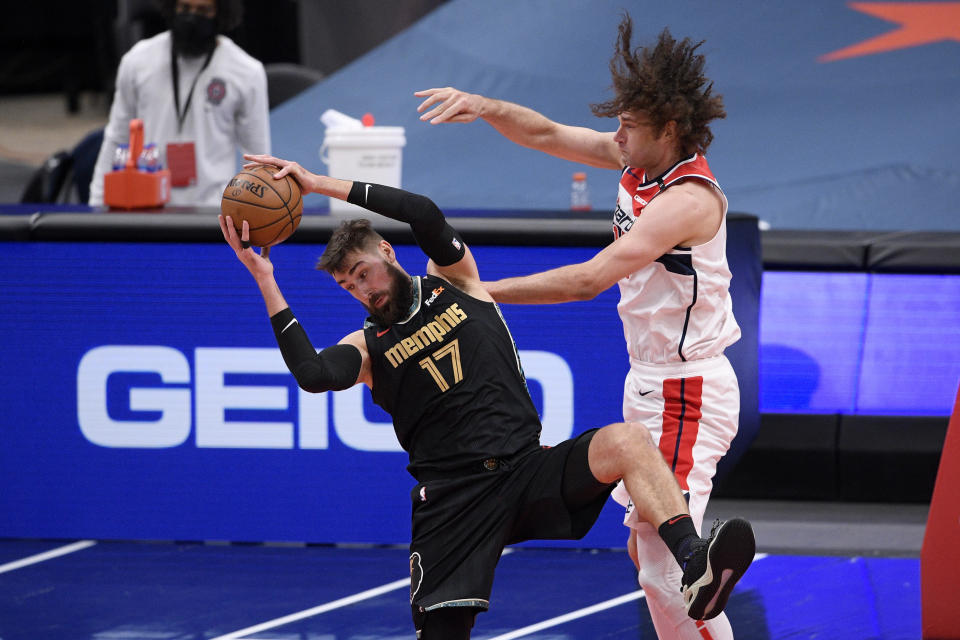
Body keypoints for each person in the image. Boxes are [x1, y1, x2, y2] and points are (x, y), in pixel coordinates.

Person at [220, 152, 755, 639]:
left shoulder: (454, 280)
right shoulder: (364, 347)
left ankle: (695, 561)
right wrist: (264, 278)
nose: (364, 291)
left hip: (526, 470)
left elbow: (424, 213)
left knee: (631, 441)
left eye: (364, 274)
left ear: (387, 251)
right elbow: (313, 374)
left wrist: (319, 184)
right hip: (454, 502)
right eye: (349, 287)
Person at [414, 16, 745, 640]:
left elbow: (588, 279)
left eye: (628, 124)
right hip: (651, 382)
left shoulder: (689, 200)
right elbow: (542, 132)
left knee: (667, 567)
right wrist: (484, 104)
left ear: (669, 129)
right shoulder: (637, 162)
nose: (615, 134)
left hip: (687, 388)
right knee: (648, 556)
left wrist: (479, 293)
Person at [89, 0, 270, 207]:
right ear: (171, 7)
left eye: (203, 10)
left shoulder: (246, 72)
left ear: (220, 14)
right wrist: (97, 203)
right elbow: (117, 138)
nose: (192, 18)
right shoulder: (137, 61)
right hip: (148, 205)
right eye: (184, 8)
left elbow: (258, 157)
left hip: (214, 210)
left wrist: (255, 216)